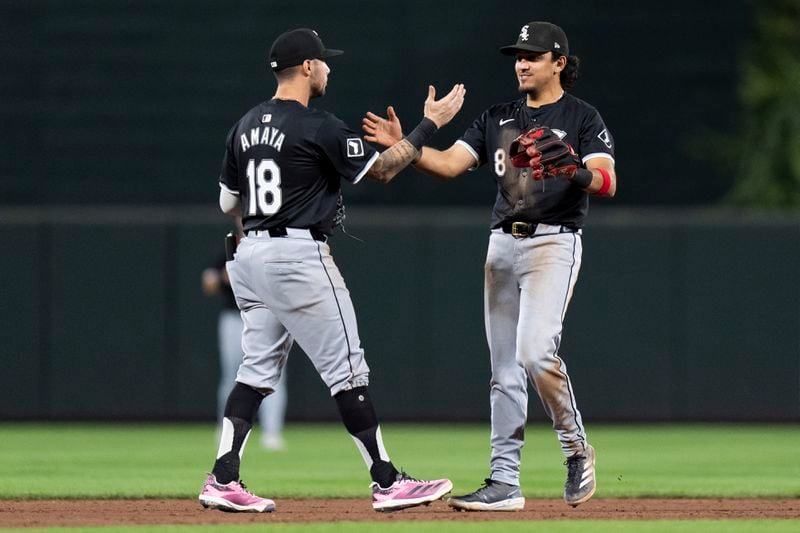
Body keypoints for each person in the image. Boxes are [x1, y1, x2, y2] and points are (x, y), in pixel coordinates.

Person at [197, 28, 466, 513]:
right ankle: (386, 482)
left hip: (250, 255)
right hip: (297, 256)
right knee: (347, 368)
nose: (328, 68)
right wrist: (428, 126)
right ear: (305, 68)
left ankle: (222, 477)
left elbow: (227, 202)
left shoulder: (243, 125)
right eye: (323, 62)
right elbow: (383, 170)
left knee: (254, 371)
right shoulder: (317, 125)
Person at [362, 21, 616, 511]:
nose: (521, 63)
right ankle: (504, 482)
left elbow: (607, 182)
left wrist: (573, 169)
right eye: (518, 55)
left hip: (553, 242)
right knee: (503, 371)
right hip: (502, 245)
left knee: (536, 352)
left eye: (533, 55)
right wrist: (407, 146)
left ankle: (574, 446)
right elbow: (450, 165)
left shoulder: (582, 117)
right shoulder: (498, 116)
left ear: (559, 62)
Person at [202, 253, 288, 451]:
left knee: (274, 376)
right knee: (231, 376)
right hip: (235, 317)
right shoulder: (229, 248)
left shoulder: (273, 246)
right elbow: (208, 284)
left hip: (268, 315)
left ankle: (272, 432)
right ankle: (226, 429)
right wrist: (221, 277)